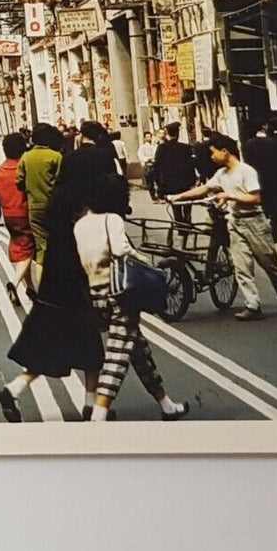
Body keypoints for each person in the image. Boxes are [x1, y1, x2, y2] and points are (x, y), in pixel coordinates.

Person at [0, 142, 108, 422]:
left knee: (51, 345)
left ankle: (15, 388)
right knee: (90, 343)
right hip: (76, 280)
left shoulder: (60, 197)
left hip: (53, 279)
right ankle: (90, 404)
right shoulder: (87, 201)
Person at [76, 169, 190, 421]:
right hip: (119, 294)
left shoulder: (81, 223)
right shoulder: (112, 220)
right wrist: (145, 262)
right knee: (117, 356)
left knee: (139, 351)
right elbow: (120, 249)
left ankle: (167, 405)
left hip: (95, 294)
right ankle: (99, 414)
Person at [169, 133, 277, 320]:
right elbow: (205, 189)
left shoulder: (246, 171)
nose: (211, 157)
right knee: (241, 266)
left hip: (254, 222)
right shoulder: (221, 174)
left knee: (270, 264)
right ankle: (253, 305)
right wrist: (178, 196)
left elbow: (255, 198)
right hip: (235, 222)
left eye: (213, 153)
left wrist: (229, 196)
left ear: (225, 151)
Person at [0, 132, 35, 306]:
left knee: (21, 249)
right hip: (25, 213)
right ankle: (14, 283)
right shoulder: (25, 167)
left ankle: (30, 288)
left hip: (8, 215)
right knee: (29, 250)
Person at [16, 123, 65, 276]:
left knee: (41, 248)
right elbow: (61, 181)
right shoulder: (56, 156)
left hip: (34, 207)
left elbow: (18, 181)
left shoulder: (26, 157)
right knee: (57, 244)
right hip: (54, 206)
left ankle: (41, 289)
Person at [243, 121, 277, 241]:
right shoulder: (273, 143)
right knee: (276, 208)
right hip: (274, 180)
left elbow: (247, 164)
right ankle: (274, 235)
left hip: (256, 180)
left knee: (262, 207)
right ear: (264, 127)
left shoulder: (249, 144)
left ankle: (261, 234)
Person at [153, 122, 199, 226]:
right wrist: (193, 179)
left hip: (170, 182)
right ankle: (187, 221)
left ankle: (179, 224)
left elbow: (157, 167)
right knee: (187, 201)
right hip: (185, 180)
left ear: (167, 134)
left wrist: (159, 183)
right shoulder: (186, 147)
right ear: (178, 134)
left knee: (175, 204)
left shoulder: (162, 148)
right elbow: (191, 165)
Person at [137, 131, 159, 197]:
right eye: (147, 137)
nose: (149, 138)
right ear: (144, 138)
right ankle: (153, 196)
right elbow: (140, 155)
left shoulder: (155, 146)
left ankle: (159, 195)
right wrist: (147, 159)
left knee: (158, 181)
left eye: (150, 136)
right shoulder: (142, 147)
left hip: (155, 165)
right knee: (150, 182)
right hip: (148, 165)